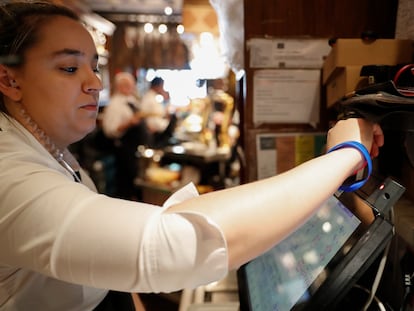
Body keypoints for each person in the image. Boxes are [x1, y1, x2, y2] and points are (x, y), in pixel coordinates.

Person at [0, 1, 384, 310]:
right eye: (69, 67)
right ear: (9, 79)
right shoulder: (8, 174)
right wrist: (346, 153)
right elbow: (171, 245)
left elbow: (106, 268)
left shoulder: (52, 149)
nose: (94, 82)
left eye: (93, 66)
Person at [101, 71, 151, 200]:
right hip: (124, 149)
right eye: (128, 85)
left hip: (136, 148)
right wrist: (129, 123)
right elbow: (110, 130)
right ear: (120, 86)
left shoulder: (132, 101)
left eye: (132, 85)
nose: (131, 88)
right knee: (125, 181)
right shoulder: (114, 105)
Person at [140, 76, 177, 148]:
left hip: (159, 130)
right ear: (157, 86)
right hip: (154, 134)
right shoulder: (148, 98)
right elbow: (142, 115)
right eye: (162, 86)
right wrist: (148, 128)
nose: (163, 89)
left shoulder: (154, 97)